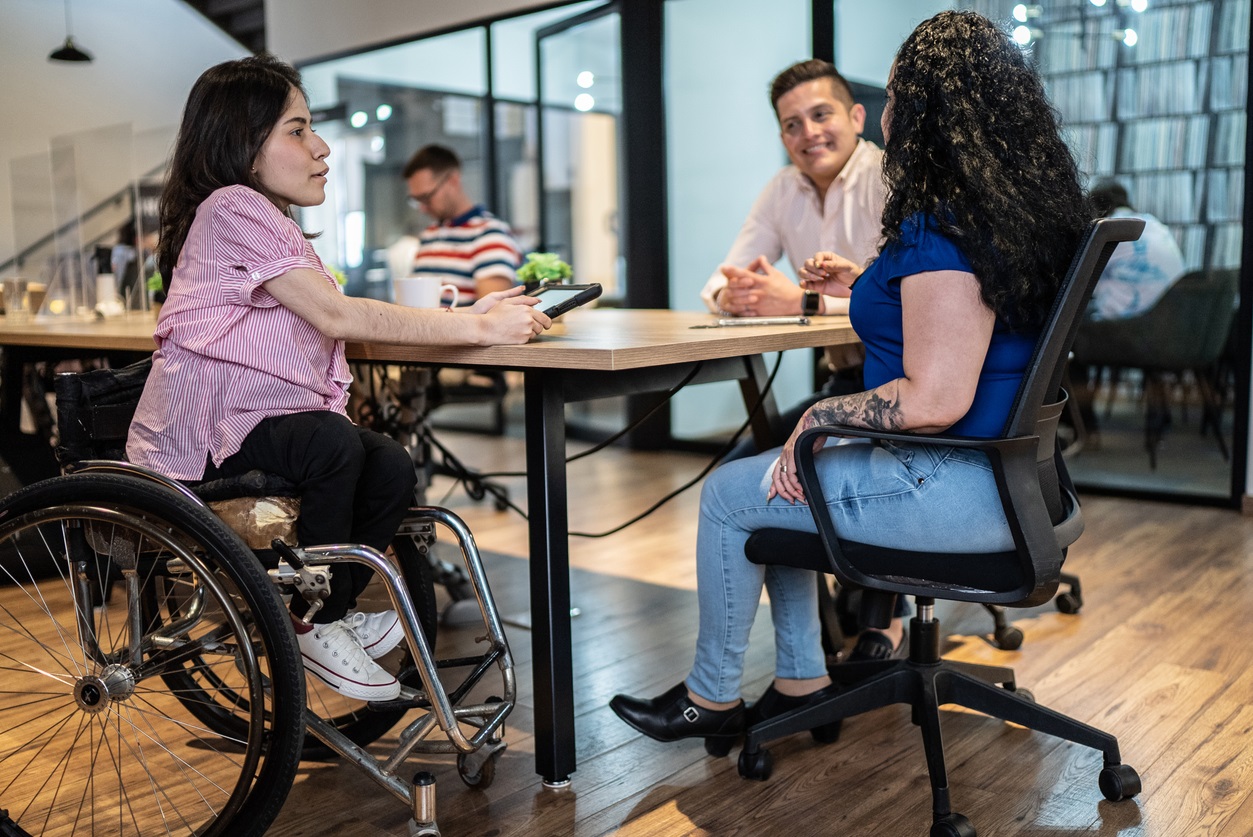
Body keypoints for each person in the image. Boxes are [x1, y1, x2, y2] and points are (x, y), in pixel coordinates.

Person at [609, 10, 1089, 754]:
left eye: (894, 97)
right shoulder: (1005, 210)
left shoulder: (940, 220)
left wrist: (823, 414)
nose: (887, 114)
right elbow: (955, 316)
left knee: (733, 494)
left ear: (925, 111)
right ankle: (801, 680)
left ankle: (711, 695)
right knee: (781, 473)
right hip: (1015, 480)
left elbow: (934, 398)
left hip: (954, 485)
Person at [126, 54, 551, 703]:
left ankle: (331, 610)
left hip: (258, 422)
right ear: (243, 144)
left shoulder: (267, 217)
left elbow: (337, 320)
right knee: (336, 445)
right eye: (297, 130)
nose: (319, 147)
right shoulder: (232, 205)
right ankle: (311, 619)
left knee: (388, 465)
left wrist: (472, 314)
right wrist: (476, 327)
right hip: (211, 432)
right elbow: (334, 313)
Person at [703, 59, 900, 657]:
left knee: (784, 470)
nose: (808, 133)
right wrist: (734, 294)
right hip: (842, 378)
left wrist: (805, 299)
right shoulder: (782, 188)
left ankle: (878, 627)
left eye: (821, 115)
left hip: (900, 383)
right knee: (752, 467)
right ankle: (808, 654)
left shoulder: (889, 177)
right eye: (792, 124)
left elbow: (910, 297)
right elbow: (721, 277)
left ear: (857, 117)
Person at [403, 144, 521, 305]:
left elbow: (494, 314)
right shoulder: (429, 234)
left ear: (452, 181)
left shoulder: (490, 234)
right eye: (417, 200)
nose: (422, 207)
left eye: (427, 196)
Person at [1085, 179, 1185, 322]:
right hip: (1169, 320)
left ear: (1094, 206)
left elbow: (1082, 273)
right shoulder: (1154, 223)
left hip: (1127, 325)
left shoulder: (1108, 228)